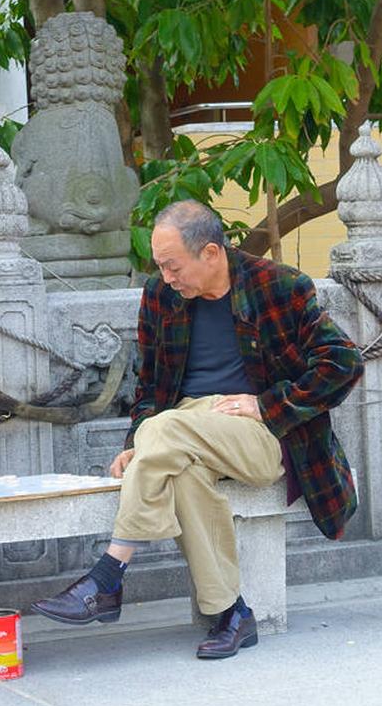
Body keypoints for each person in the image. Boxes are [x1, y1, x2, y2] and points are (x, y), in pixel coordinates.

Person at [30, 200, 364, 658]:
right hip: (182, 429)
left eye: (173, 266)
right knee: (181, 469)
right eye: (161, 266)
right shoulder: (160, 297)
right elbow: (149, 387)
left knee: (166, 431)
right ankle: (231, 614)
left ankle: (108, 575)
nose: (167, 277)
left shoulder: (280, 286)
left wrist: (269, 404)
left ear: (210, 253)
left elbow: (344, 362)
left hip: (260, 432)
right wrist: (138, 445)